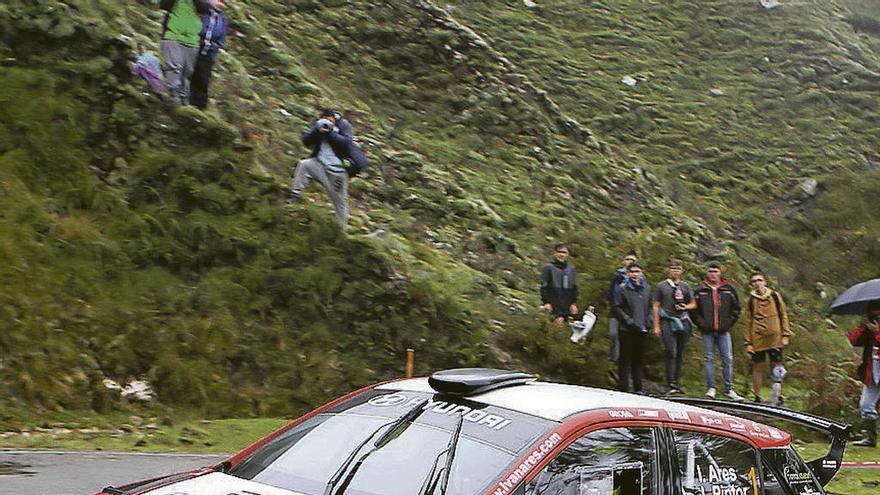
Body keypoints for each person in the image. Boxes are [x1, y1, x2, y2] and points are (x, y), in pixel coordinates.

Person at [291, 110, 368, 226]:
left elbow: (346, 143)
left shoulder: (344, 125)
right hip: (320, 165)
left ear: (334, 118)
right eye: (325, 120)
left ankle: (342, 230)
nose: (327, 122)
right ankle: (295, 195)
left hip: (338, 172)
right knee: (304, 164)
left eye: (330, 120)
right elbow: (306, 141)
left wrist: (331, 133)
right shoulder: (319, 125)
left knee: (340, 201)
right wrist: (317, 131)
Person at [688, 262, 743, 401]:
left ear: (720, 272)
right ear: (707, 273)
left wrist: (728, 323)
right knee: (709, 358)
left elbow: (736, 309)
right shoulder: (700, 290)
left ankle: (729, 389)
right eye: (710, 271)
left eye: (715, 271)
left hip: (724, 331)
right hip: (707, 331)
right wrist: (701, 323)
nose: (713, 274)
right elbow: (694, 310)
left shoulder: (729, 289)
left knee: (727, 359)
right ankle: (711, 388)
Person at [743, 270, 792, 405]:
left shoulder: (775, 296)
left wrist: (785, 334)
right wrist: (748, 343)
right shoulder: (751, 300)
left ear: (765, 282)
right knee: (758, 367)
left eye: (759, 280)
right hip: (757, 338)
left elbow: (783, 315)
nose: (757, 283)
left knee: (776, 366)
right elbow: (747, 322)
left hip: (775, 337)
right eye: (754, 281)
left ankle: (777, 395)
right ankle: (757, 397)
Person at [158, 0, 215, 105]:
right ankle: (174, 98)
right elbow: (162, 5)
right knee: (174, 67)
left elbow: (205, 8)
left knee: (187, 73)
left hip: (192, 41)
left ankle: (184, 102)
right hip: (172, 36)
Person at [652, 259, 693, 395]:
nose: (675, 271)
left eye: (678, 268)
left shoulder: (685, 286)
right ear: (668, 270)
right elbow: (656, 305)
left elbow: (693, 303)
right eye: (673, 268)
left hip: (683, 321)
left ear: (682, 271)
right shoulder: (661, 286)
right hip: (667, 321)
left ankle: (676, 382)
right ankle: (669, 382)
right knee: (670, 351)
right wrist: (656, 326)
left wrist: (685, 306)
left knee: (680, 352)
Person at [613, 262, 652, 394]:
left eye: (637, 272)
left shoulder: (646, 288)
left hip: (642, 329)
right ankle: (623, 388)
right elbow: (617, 308)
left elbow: (651, 307)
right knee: (624, 360)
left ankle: (638, 388)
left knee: (638, 360)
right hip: (626, 329)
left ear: (642, 272)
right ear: (628, 273)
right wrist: (629, 322)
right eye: (632, 272)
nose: (635, 274)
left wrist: (649, 321)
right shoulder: (622, 288)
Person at [849, 301, 880, 447]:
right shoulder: (868, 327)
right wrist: (864, 325)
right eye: (873, 313)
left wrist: (878, 333)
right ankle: (870, 439)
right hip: (872, 373)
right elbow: (854, 340)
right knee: (866, 405)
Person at [608, 252, 642, 381]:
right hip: (616, 312)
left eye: (632, 259)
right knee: (613, 335)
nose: (629, 261)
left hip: (632, 316)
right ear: (623, 261)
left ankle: (627, 370)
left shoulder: (640, 280)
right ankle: (613, 361)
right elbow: (610, 293)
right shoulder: (617, 276)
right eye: (627, 259)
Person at [190, 0, 229, 110]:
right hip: (193, 48)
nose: (222, 4)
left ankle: (199, 110)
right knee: (187, 75)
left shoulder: (223, 18)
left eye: (225, 3)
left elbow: (221, 38)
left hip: (208, 54)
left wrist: (214, 49)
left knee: (202, 82)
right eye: (220, 1)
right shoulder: (203, 10)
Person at [540, 243, 578, 325]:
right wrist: (546, 302)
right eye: (559, 252)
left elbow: (574, 288)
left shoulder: (571, 269)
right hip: (553, 305)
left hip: (566, 306)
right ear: (555, 253)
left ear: (568, 254)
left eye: (564, 252)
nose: (561, 254)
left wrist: (573, 303)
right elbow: (544, 286)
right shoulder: (548, 268)